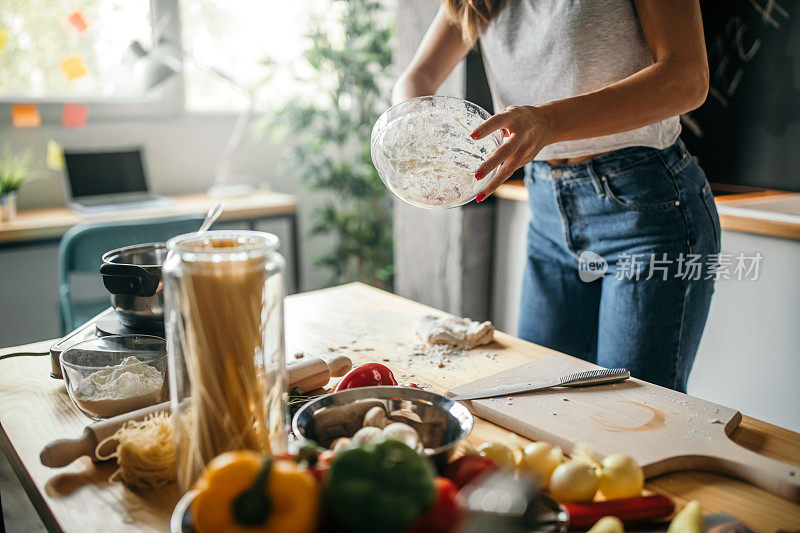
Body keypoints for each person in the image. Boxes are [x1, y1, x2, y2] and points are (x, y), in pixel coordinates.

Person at [393, 0, 720, 392]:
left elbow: (689, 77)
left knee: (628, 420)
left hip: (649, 215)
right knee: (539, 398)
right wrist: (415, 131)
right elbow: (419, 75)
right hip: (547, 210)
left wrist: (548, 121)